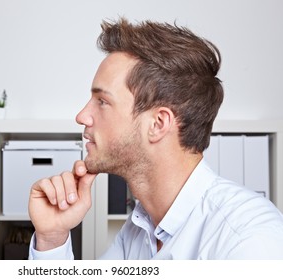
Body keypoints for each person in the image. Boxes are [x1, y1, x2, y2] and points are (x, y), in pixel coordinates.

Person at [28, 18, 283, 259]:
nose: (82, 116)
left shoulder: (249, 239)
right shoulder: (139, 229)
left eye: (102, 101)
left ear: (158, 124)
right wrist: (52, 239)